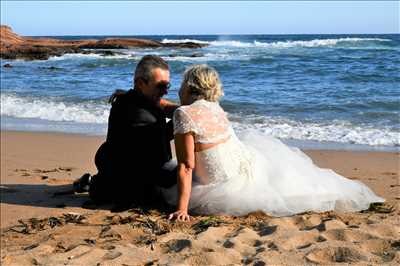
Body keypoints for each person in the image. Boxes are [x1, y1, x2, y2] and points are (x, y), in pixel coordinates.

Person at [165, 64, 384, 221]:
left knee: (166, 181)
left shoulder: (184, 114)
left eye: (182, 83)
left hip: (220, 187)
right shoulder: (215, 108)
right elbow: (193, 118)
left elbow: (186, 165)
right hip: (247, 167)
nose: (179, 88)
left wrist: (183, 208)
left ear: (191, 87)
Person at [74, 55, 179, 205]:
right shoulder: (133, 112)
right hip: (131, 188)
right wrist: (189, 116)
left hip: (129, 170)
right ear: (140, 84)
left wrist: (186, 110)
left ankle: (89, 182)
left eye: (167, 86)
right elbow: (163, 134)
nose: (165, 91)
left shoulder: (136, 98)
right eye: (160, 86)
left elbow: (165, 106)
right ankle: (90, 183)